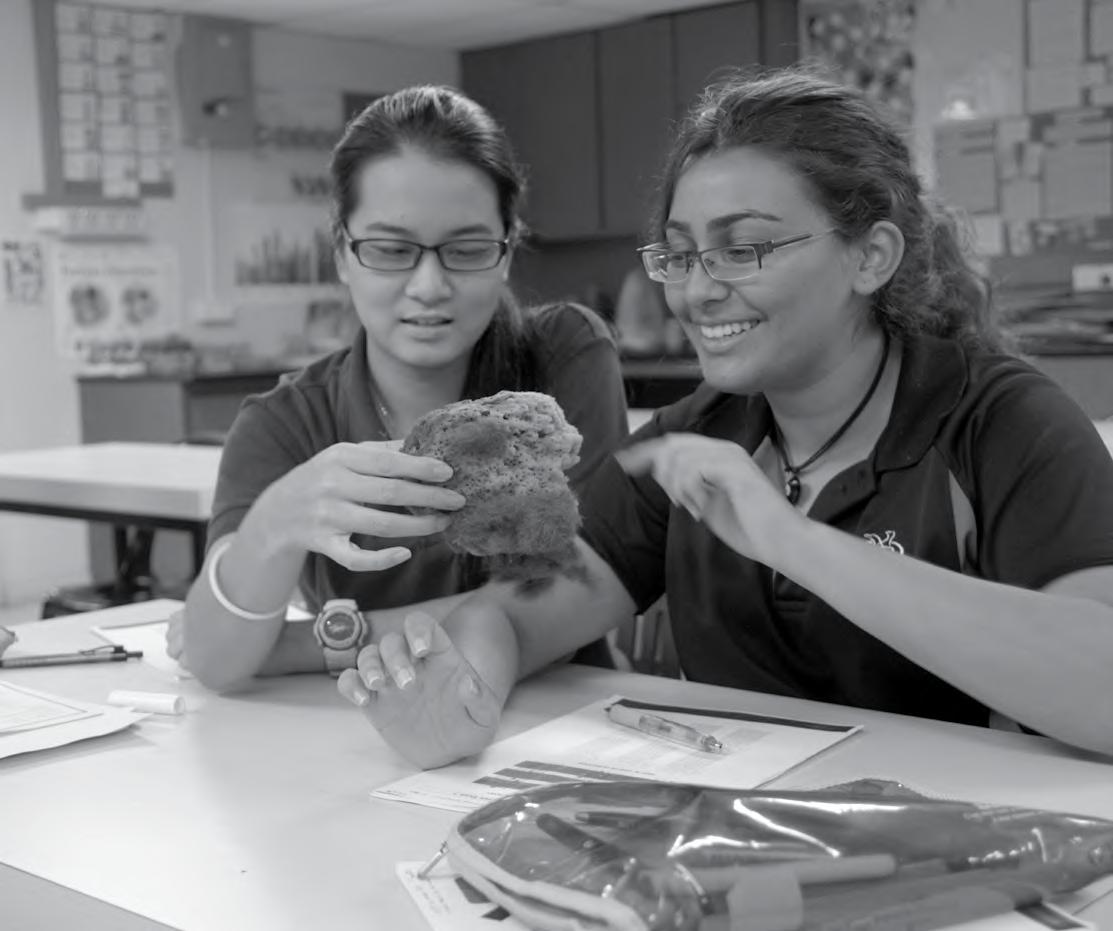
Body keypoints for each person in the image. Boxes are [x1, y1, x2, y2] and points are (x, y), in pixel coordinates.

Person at [336, 68, 1113, 769]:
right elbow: (515, 615)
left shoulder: (1002, 423)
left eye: (742, 249)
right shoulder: (693, 441)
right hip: (734, 841)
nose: (697, 290)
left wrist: (792, 540)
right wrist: (463, 691)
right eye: (680, 254)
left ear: (870, 256)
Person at [175, 85, 627, 690]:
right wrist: (274, 521)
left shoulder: (563, 353)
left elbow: (585, 591)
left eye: (467, 250)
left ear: (506, 251)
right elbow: (213, 659)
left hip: (568, 717)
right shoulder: (286, 422)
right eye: (391, 250)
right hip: (372, 724)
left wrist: (310, 644)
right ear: (342, 253)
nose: (429, 286)